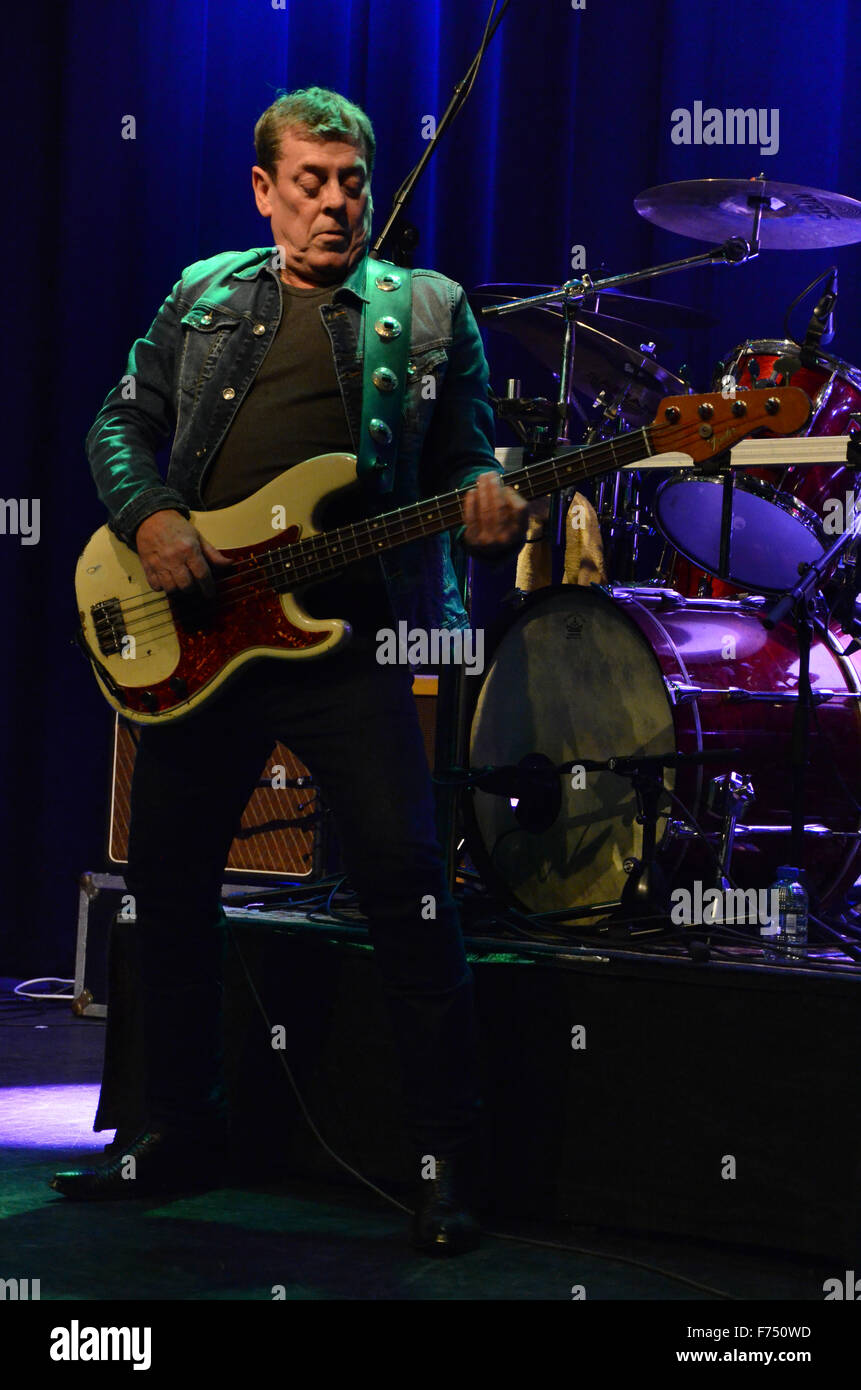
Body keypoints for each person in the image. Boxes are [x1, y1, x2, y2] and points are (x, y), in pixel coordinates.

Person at [51, 87, 527, 1255]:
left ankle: (444, 1165)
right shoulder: (205, 292)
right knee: (166, 885)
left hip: (347, 642)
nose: (334, 200)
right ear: (264, 190)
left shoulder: (425, 313)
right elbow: (119, 420)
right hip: (204, 639)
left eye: (351, 179)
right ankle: (176, 1129)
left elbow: (469, 460)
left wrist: (491, 515)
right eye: (310, 180)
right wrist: (154, 514)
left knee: (410, 888)